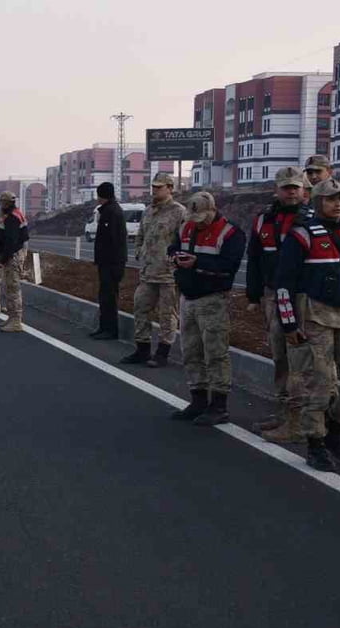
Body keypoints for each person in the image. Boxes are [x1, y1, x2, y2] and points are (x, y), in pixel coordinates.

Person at [275, 178, 340, 471]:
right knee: (319, 384)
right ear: (318, 202)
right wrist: (289, 324)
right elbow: (284, 282)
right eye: (331, 199)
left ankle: (334, 431)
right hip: (315, 315)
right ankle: (315, 443)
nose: (338, 204)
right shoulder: (301, 235)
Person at [167, 192, 246, 425]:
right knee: (191, 351)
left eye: (202, 218)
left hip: (213, 298)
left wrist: (197, 263)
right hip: (187, 297)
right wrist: (175, 256)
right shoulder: (186, 226)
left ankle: (219, 405)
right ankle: (198, 400)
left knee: (215, 353)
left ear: (213, 210)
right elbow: (173, 246)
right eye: (194, 218)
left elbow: (229, 266)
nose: (198, 223)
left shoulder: (230, 233)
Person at [245, 166, 312, 441]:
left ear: (304, 190)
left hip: (305, 297)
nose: (291, 192)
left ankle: (304, 420)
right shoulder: (264, 220)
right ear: (277, 190)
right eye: (286, 187)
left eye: (296, 187)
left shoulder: (313, 219)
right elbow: (254, 259)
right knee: (280, 355)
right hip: (274, 296)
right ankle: (285, 413)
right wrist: (253, 295)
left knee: (303, 357)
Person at [122, 173, 186, 368]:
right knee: (140, 308)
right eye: (153, 187)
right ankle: (142, 350)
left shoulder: (179, 212)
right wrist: (139, 251)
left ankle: (162, 353)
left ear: (170, 188)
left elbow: (185, 240)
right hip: (148, 272)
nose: (155, 190)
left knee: (167, 315)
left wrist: (176, 261)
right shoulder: (148, 211)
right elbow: (141, 234)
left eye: (159, 187)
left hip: (168, 274)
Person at [91, 182, 127, 340]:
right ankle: (103, 327)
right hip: (106, 262)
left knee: (110, 296)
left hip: (112, 263)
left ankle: (110, 330)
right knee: (104, 295)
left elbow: (115, 241)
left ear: (102, 195)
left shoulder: (113, 212)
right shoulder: (107, 211)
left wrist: (114, 263)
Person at [0, 191, 29, 333]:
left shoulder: (12, 218)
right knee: (9, 287)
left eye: (2, 202)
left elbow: (11, 241)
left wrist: (3, 260)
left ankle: (16, 321)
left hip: (13, 257)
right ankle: (11, 318)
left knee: (13, 288)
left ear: (6, 203)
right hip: (13, 255)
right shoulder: (13, 215)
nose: (0, 205)